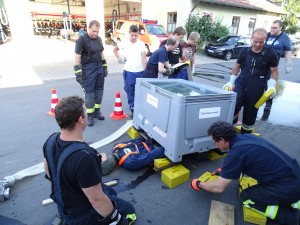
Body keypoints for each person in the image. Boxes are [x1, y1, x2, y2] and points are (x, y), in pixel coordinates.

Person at [43, 95, 137, 225]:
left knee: (109, 191)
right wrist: (117, 220)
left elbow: (48, 172)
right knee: (128, 210)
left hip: (64, 204)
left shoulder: (51, 140)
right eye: (85, 112)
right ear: (81, 119)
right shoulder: (85, 157)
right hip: (81, 215)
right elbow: (96, 200)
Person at [190, 121, 300, 225]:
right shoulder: (247, 138)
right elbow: (248, 159)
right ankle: (294, 200)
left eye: (215, 142)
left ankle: (291, 218)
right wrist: (227, 171)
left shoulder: (235, 154)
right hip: (295, 175)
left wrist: (199, 184)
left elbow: (219, 188)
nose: (215, 145)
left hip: (288, 188)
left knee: (246, 197)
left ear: (222, 140)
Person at [223, 28, 279, 133]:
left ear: (265, 40)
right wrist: (231, 82)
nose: (258, 44)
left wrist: (272, 85)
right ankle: (230, 127)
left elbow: (275, 71)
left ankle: (246, 134)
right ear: (251, 39)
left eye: (261, 42)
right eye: (255, 41)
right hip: (241, 81)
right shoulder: (245, 51)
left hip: (257, 84)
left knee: (251, 110)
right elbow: (236, 66)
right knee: (234, 103)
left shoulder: (270, 53)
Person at [74, 20, 108, 127]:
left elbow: (101, 53)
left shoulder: (99, 39)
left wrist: (104, 66)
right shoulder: (81, 40)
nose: (96, 34)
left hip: (98, 68)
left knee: (99, 91)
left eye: (97, 31)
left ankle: (97, 112)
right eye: (94, 31)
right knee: (89, 93)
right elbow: (77, 56)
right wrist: (78, 73)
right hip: (88, 68)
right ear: (88, 28)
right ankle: (90, 115)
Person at [113, 24, 147, 117]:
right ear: (129, 33)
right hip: (128, 71)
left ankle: (139, 108)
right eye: (132, 35)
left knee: (140, 91)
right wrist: (119, 58)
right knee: (130, 90)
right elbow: (115, 50)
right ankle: (132, 109)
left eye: (136, 35)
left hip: (139, 71)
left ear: (138, 35)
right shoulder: (124, 42)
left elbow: (144, 57)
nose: (134, 37)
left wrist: (145, 70)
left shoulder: (141, 44)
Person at [262, 19, 293, 120]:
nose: (272, 29)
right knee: (258, 83)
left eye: (275, 28)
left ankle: (268, 105)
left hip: (273, 65)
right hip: (261, 64)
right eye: (271, 27)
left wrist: (289, 64)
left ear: (280, 28)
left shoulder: (285, 38)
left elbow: (288, 51)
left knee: (270, 85)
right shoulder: (267, 34)